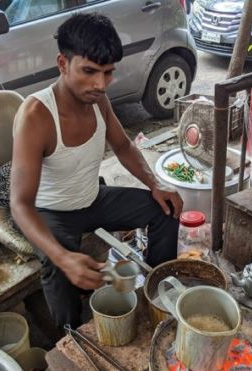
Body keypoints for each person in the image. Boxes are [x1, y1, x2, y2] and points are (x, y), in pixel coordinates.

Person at [10, 13, 183, 329]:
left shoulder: (98, 99)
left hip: (93, 197)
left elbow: (123, 146)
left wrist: (155, 183)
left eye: (108, 73)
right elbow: (19, 204)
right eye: (88, 71)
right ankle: (70, 336)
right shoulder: (36, 115)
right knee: (58, 267)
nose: (100, 84)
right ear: (63, 63)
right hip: (52, 212)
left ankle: (157, 295)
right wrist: (64, 258)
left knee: (166, 209)